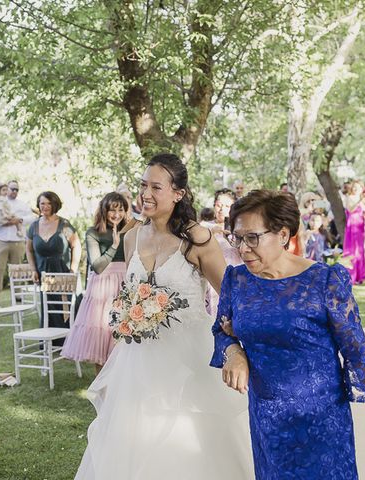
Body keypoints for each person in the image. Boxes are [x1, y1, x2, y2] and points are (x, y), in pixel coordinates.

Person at [74, 153, 253, 480]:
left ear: (178, 193)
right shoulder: (131, 237)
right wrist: (127, 314)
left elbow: (230, 297)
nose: (146, 194)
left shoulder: (197, 238)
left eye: (156, 187)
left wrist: (237, 348)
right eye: (143, 185)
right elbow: (130, 292)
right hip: (138, 362)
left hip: (188, 363)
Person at [211, 189, 365, 480]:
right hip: (267, 419)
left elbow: (356, 349)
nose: (243, 249)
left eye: (252, 238)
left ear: (283, 235)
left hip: (322, 420)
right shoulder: (236, 281)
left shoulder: (325, 281)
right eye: (237, 238)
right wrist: (234, 352)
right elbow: (220, 330)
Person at [61, 192, 131, 373]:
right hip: (103, 287)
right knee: (102, 338)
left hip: (124, 286)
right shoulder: (93, 233)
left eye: (121, 210)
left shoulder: (130, 231)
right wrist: (114, 245)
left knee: (123, 340)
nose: (117, 214)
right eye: (112, 210)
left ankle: (120, 389)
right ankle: (101, 393)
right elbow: (98, 266)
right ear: (104, 210)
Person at [26, 191, 81, 346]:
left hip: (62, 271)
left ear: (55, 204)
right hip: (43, 272)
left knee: (65, 306)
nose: (45, 206)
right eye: (42, 203)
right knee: (47, 305)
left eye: (49, 203)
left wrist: (73, 269)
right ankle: (51, 340)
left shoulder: (64, 224)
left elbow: (76, 245)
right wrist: (33, 270)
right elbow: (29, 249)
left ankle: (70, 341)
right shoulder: (34, 227)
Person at [0, 180, 35, 305]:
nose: (14, 191)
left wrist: (20, 219)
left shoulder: (23, 205)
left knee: (17, 268)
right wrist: (3, 222)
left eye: (17, 189)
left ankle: (17, 294)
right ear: (6, 189)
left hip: (17, 241)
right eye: (12, 189)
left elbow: (32, 218)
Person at [201, 188, 242, 317]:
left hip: (235, 277)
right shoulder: (203, 226)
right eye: (218, 205)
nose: (221, 209)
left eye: (226, 206)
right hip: (211, 279)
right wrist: (212, 233)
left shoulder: (239, 227)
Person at [343, 180, 365, 284]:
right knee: (353, 250)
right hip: (352, 225)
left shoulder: (362, 200)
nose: (355, 189)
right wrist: (359, 201)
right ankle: (351, 275)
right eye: (354, 187)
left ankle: (360, 276)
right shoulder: (350, 198)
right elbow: (351, 209)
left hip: (360, 225)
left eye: (358, 187)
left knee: (360, 250)